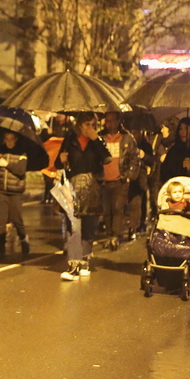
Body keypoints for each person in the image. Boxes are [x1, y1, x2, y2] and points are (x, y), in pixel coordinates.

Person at [54, 113, 112, 281]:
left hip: (92, 187)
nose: (90, 128)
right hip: (73, 187)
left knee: (89, 227)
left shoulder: (98, 141)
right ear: (79, 125)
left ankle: (85, 260)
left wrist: (96, 140)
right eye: (87, 124)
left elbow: (107, 158)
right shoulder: (70, 139)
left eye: (93, 124)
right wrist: (61, 159)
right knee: (74, 226)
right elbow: (58, 164)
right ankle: (73, 265)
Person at [100, 112, 140, 249]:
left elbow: (135, 158)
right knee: (106, 210)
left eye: (112, 121)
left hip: (120, 180)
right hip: (104, 180)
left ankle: (115, 236)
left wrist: (128, 175)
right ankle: (109, 234)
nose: (110, 124)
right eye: (108, 121)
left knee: (118, 208)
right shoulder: (101, 137)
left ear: (118, 121)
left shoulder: (127, 138)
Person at [0, 132, 29, 257]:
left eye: (11, 139)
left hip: (15, 191)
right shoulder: (0, 152)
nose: (9, 141)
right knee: (1, 221)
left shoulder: (22, 153)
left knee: (17, 219)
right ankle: (1, 246)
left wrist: (7, 164)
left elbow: (21, 170)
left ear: (16, 139)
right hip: (1, 191)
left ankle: (23, 238)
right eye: (7, 139)